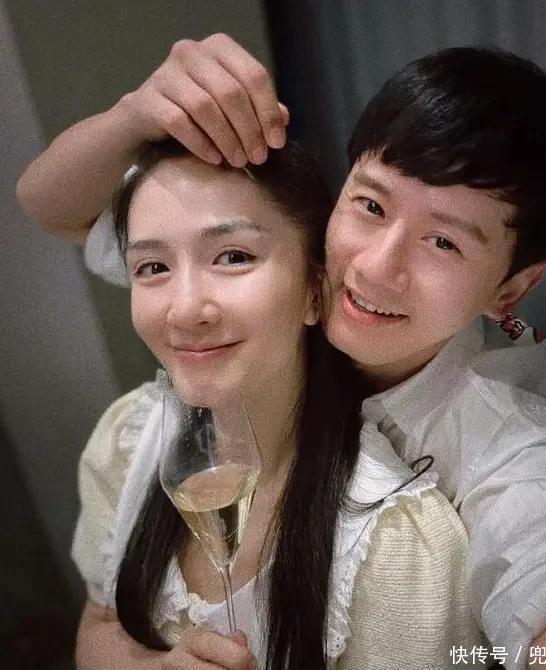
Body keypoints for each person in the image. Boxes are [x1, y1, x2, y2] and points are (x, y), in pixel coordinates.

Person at [17, 34, 546, 668]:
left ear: (509, 290)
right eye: (371, 204)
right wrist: (137, 113)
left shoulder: (493, 430)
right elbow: (48, 207)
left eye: (444, 243)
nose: (373, 268)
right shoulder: (292, 255)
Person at [68, 138, 484, 670]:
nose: (185, 309)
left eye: (233, 257)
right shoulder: (128, 440)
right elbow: (99, 626)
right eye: (152, 267)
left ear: (315, 290)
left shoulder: (397, 543)